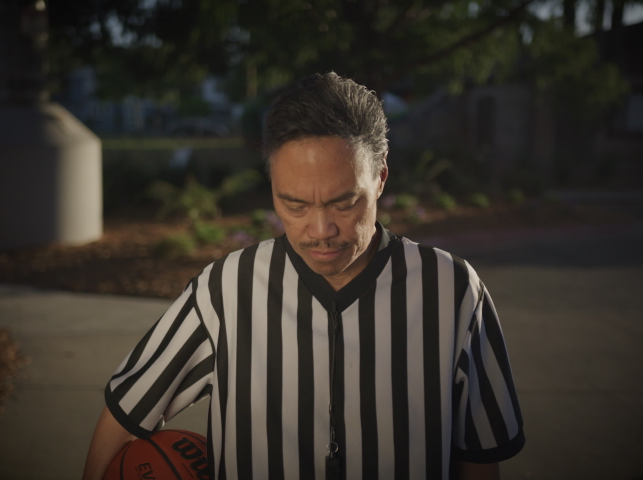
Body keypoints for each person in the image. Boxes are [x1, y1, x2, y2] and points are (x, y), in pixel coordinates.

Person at [82, 72, 524, 480]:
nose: (321, 230)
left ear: (381, 177)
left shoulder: (453, 291)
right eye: (295, 205)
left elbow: (481, 457)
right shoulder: (224, 290)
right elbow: (124, 416)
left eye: (344, 203)